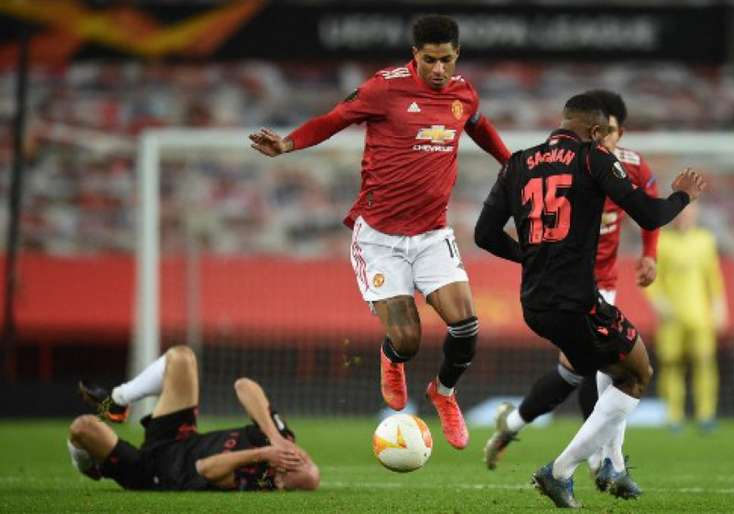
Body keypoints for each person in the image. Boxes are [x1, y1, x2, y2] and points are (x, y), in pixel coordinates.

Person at [248, 15, 510, 449]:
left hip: (431, 234)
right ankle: (393, 358)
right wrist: (288, 144)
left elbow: (478, 125)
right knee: (408, 337)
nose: (439, 69)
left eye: (446, 60)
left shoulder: (463, 92)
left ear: (457, 55)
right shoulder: (384, 88)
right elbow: (333, 118)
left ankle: (443, 394)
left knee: (466, 326)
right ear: (415, 55)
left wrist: (510, 161)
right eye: (430, 60)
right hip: (380, 238)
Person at [474, 93, 705, 508]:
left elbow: (484, 235)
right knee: (637, 372)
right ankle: (563, 470)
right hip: (579, 300)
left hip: (534, 303)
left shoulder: (517, 162)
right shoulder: (592, 158)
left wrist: (528, 254)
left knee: (584, 370)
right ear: (597, 132)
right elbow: (651, 216)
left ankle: (595, 461)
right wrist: (683, 196)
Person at [68, 345, 319, 492]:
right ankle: (118, 400)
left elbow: (205, 468)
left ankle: (88, 467)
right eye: (301, 461)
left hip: (154, 473)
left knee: (82, 429)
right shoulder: (277, 438)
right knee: (182, 356)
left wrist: (261, 455)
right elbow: (244, 386)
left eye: (287, 476)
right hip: (179, 436)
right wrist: (275, 437)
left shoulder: (258, 478)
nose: (289, 468)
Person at [647, 202, 727, 432]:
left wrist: (720, 307)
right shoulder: (662, 241)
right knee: (672, 364)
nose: (684, 217)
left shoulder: (705, 240)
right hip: (671, 317)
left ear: (696, 214)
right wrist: (659, 302)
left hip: (700, 314)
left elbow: (714, 277)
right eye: (680, 213)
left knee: (704, 362)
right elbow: (651, 278)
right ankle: (674, 416)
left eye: (688, 212)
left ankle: (706, 415)